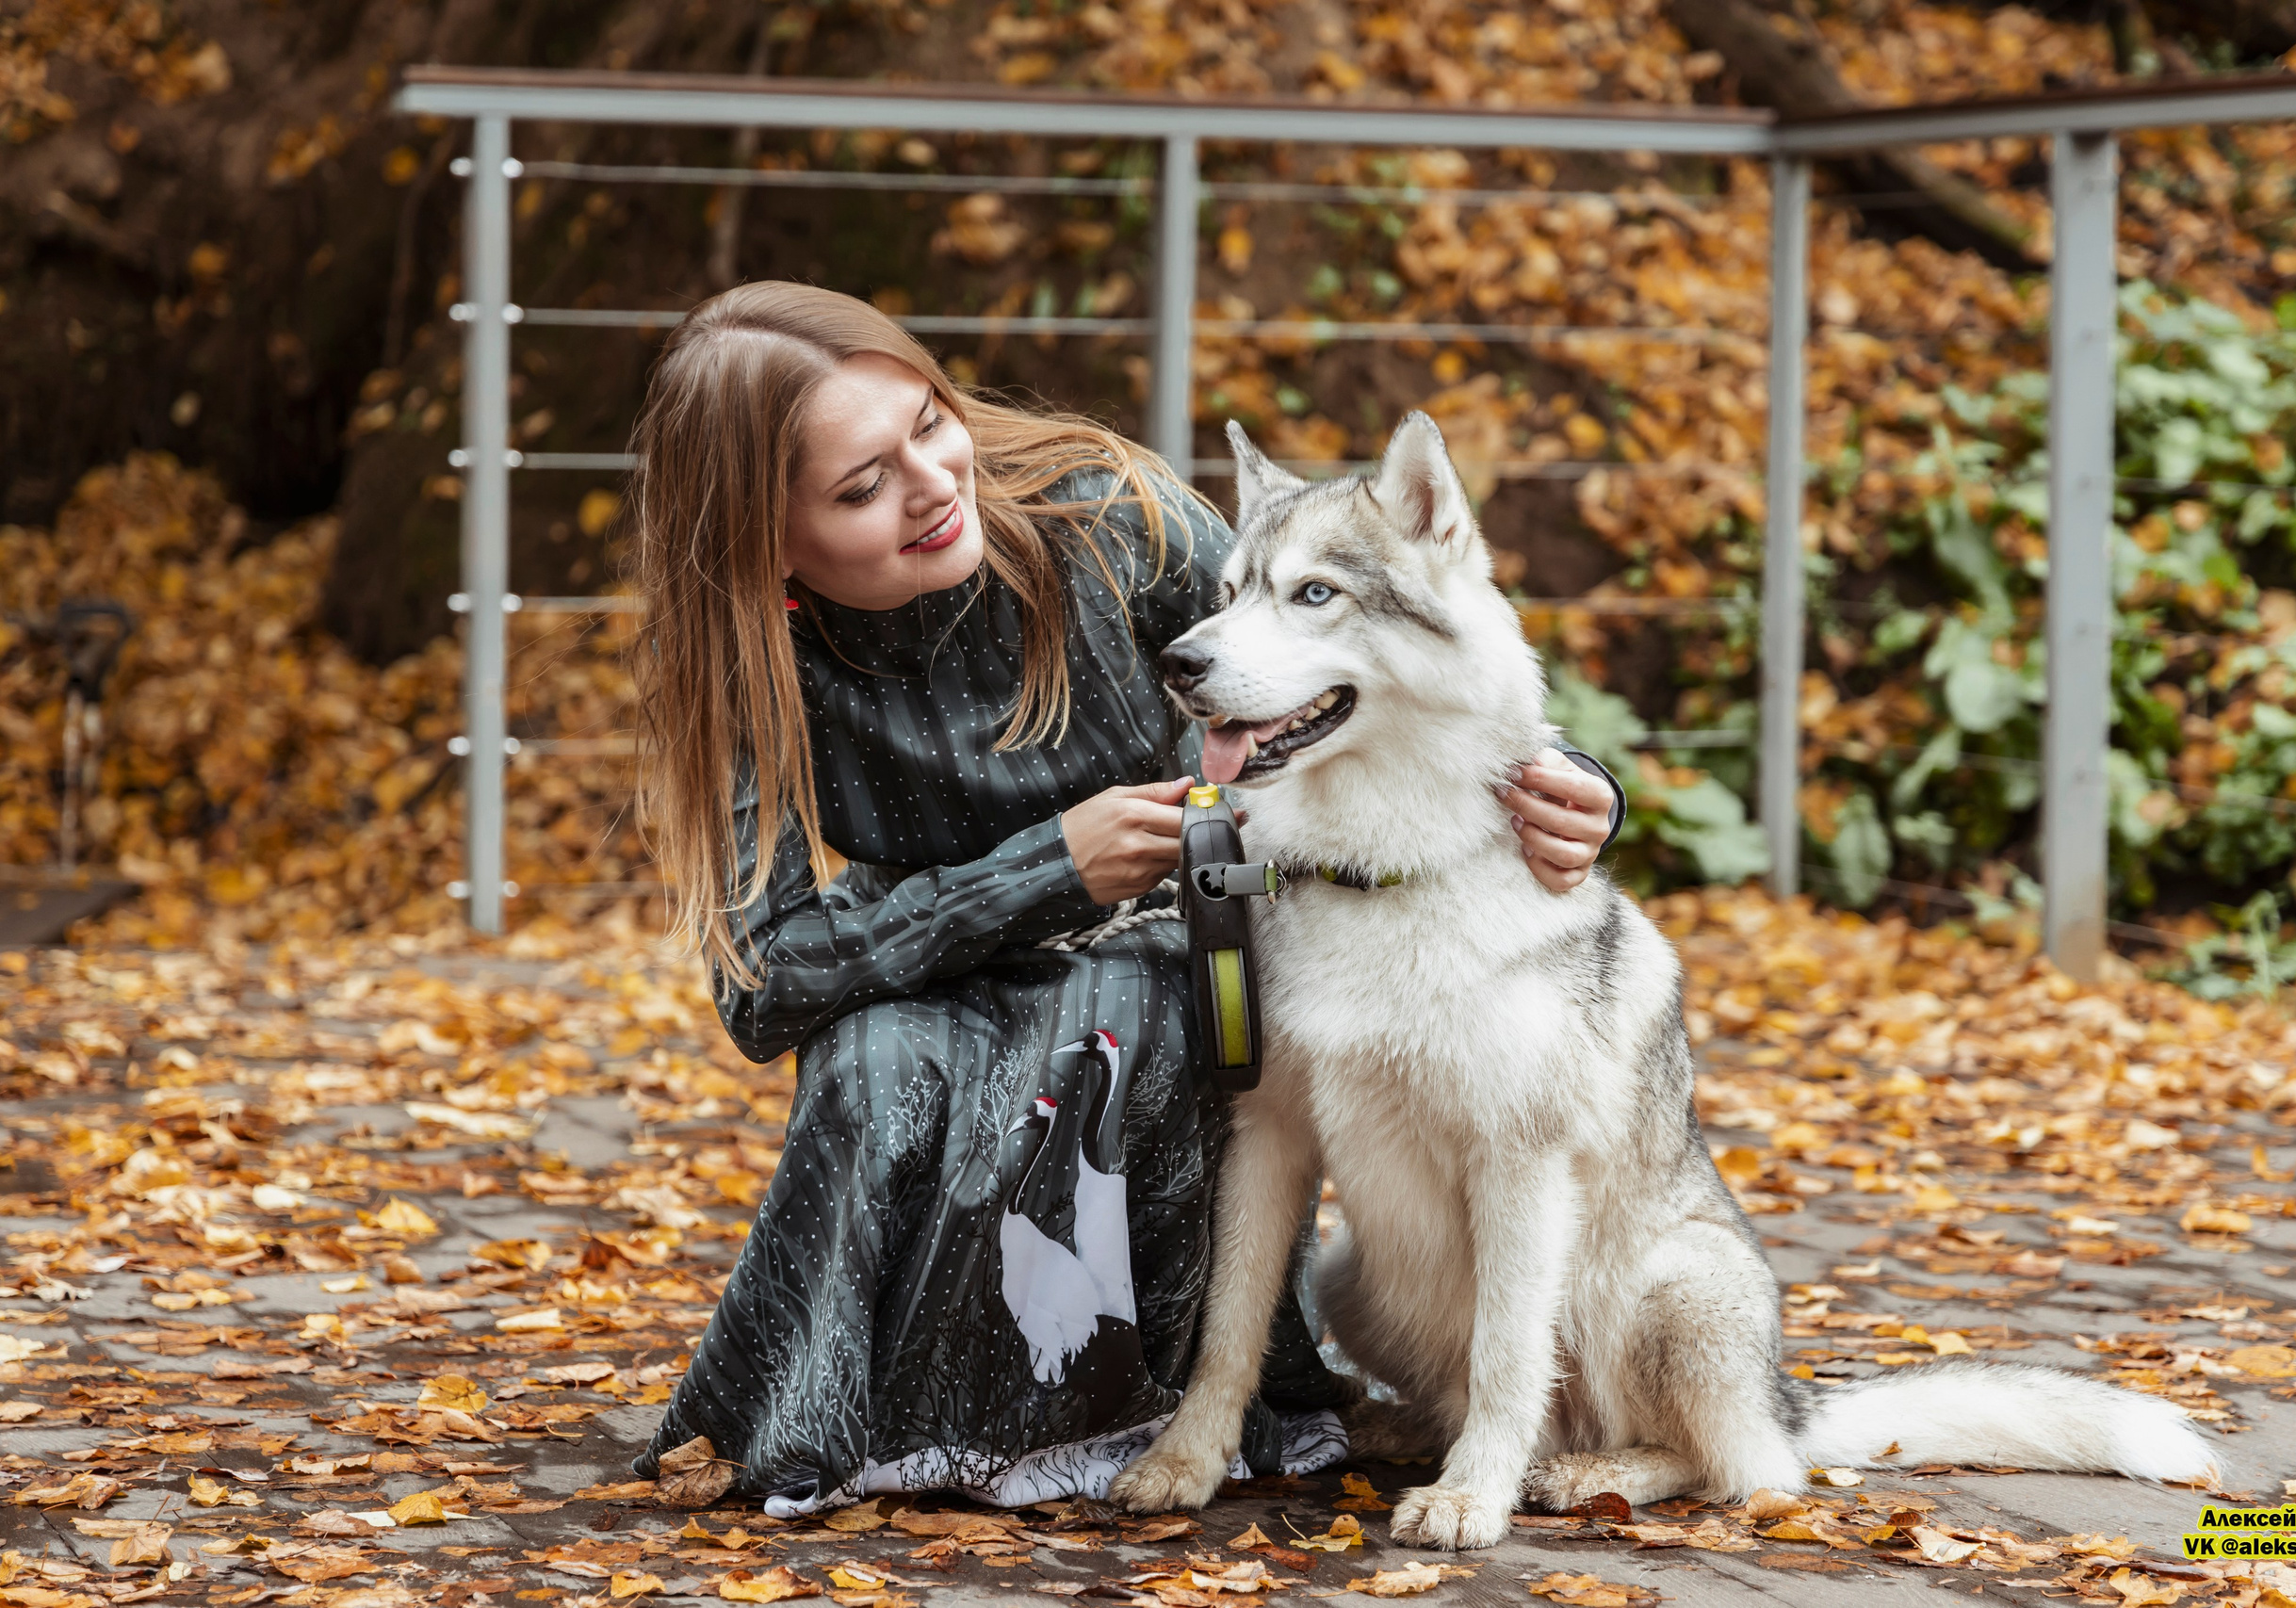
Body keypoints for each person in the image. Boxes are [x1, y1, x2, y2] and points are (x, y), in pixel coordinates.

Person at [627, 283, 1625, 1513]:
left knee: (1133, 1014)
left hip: (1179, 929)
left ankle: (1172, 1401)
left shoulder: (1109, 514)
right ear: (760, 542)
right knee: (871, 1062)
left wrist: (1580, 785)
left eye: (929, 425)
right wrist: (1044, 867)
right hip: (923, 963)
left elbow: (1363, 652)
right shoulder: (743, 663)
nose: (935, 484)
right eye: (859, 489)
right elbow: (764, 983)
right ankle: (876, 1414)